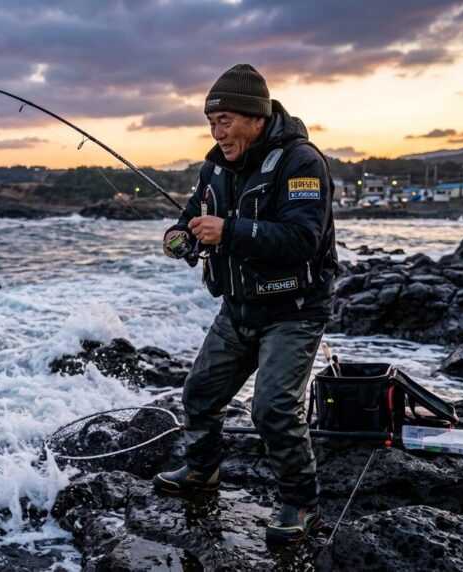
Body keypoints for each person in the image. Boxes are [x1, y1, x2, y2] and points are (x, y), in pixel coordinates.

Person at [153, 63, 338, 544]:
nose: (217, 131)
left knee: (273, 408)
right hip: (238, 307)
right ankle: (201, 473)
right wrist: (179, 238)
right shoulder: (214, 165)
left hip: (293, 310)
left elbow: (303, 238)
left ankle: (300, 504)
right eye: (212, 122)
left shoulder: (301, 162)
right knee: (199, 393)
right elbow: (193, 217)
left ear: (257, 117)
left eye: (226, 121)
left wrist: (229, 231)